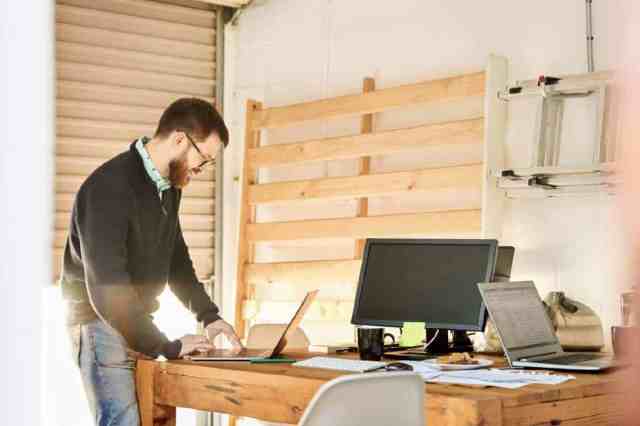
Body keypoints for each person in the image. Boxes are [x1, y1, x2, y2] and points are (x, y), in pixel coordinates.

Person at [60, 98, 243, 426]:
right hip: (100, 321)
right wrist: (166, 346)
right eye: (202, 160)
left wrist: (208, 315)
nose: (200, 171)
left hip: (135, 319)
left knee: (153, 419)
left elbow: (175, 258)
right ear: (179, 139)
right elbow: (108, 292)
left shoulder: (168, 187)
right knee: (124, 422)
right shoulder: (108, 188)